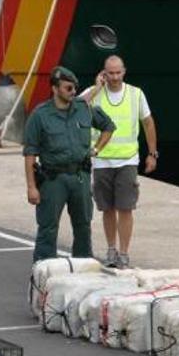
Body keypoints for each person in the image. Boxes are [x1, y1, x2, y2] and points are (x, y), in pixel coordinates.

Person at [23, 66, 115, 262]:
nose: (73, 92)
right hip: (53, 180)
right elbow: (30, 153)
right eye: (68, 88)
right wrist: (31, 187)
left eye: (74, 88)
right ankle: (44, 269)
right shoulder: (40, 115)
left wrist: (96, 149)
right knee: (48, 227)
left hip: (80, 177)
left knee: (83, 225)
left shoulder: (83, 108)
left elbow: (108, 126)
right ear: (55, 89)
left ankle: (82, 266)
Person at [79, 55, 158, 269]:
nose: (114, 77)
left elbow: (148, 123)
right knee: (107, 209)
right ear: (103, 73)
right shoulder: (94, 93)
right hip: (102, 160)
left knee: (126, 208)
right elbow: (75, 107)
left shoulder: (136, 94)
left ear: (124, 71)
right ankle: (111, 249)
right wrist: (96, 88)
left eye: (118, 72)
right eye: (110, 73)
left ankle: (124, 252)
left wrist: (152, 153)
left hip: (127, 160)